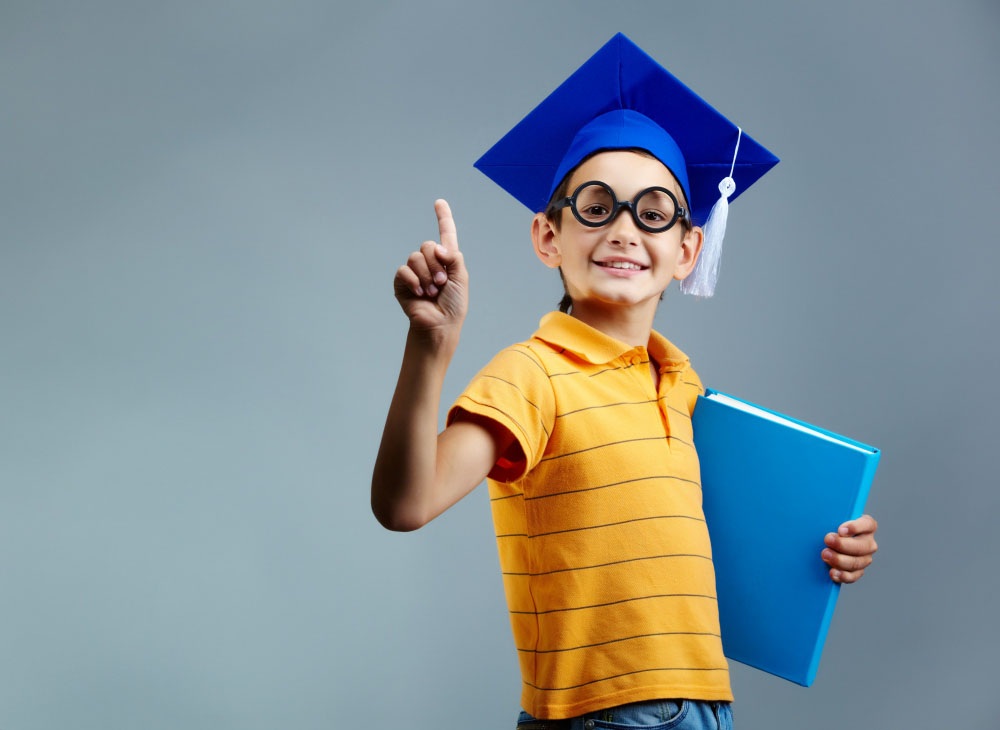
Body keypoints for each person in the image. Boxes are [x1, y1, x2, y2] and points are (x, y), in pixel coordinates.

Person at [371, 34, 878, 730]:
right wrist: (431, 345)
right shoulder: (533, 374)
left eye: (654, 213)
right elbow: (406, 503)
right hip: (602, 714)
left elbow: (701, 551)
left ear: (686, 249)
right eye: (596, 205)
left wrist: (828, 550)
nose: (623, 230)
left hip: (708, 703)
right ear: (549, 237)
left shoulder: (687, 394)